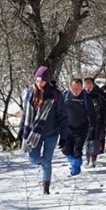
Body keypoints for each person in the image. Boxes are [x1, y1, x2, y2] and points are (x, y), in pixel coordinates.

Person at [18, 65, 68, 194]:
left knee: (47, 160)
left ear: (47, 81)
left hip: (52, 132)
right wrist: (21, 131)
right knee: (33, 159)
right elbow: (25, 114)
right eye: (37, 80)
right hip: (34, 133)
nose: (40, 83)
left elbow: (63, 116)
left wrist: (64, 136)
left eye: (42, 81)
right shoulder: (30, 93)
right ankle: (43, 163)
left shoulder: (55, 95)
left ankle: (46, 188)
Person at [61, 78, 96, 176]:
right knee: (65, 150)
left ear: (82, 88)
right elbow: (58, 113)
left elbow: (92, 114)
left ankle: (75, 170)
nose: (76, 91)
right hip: (67, 129)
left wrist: (92, 129)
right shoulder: (65, 97)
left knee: (77, 150)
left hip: (81, 129)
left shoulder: (85, 98)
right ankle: (74, 163)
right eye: (73, 88)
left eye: (78, 89)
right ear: (70, 87)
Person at [83, 77, 106, 167]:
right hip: (85, 122)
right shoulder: (81, 94)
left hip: (98, 122)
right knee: (87, 141)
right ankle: (87, 159)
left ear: (93, 84)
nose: (88, 87)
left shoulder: (100, 94)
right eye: (86, 85)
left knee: (95, 141)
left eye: (89, 84)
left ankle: (93, 159)